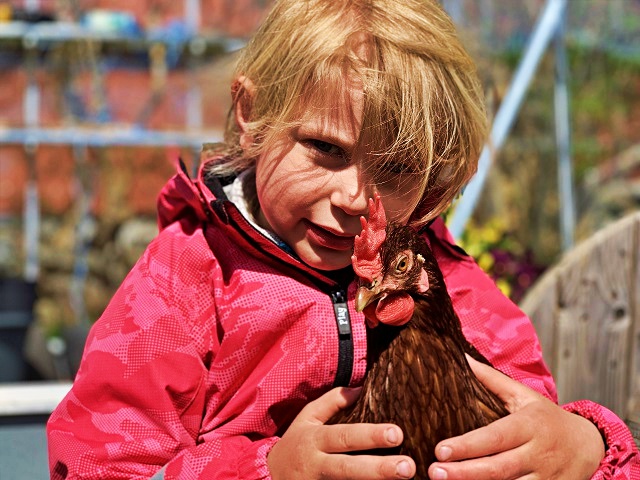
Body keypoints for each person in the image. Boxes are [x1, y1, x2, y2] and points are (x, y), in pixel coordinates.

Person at [47, 0, 639, 478]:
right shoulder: (184, 281)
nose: (355, 197)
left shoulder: (446, 282)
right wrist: (265, 471)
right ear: (252, 112)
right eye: (326, 149)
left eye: (398, 168)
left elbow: (528, 415)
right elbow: (100, 464)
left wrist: (586, 446)